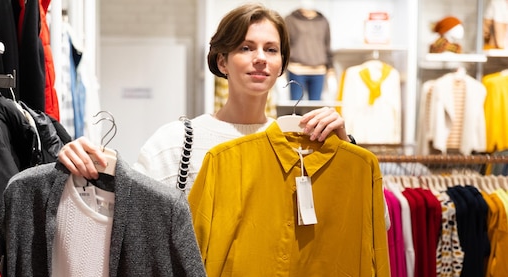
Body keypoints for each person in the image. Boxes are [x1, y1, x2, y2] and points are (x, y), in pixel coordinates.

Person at [57, 3, 352, 194]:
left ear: (281, 65)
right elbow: (128, 216)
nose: (260, 58)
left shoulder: (299, 144)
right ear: (222, 62)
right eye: (246, 48)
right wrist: (84, 167)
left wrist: (345, 151)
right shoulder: (174, 143)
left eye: (271, 50)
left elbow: (369, 220)